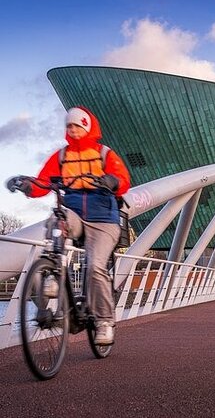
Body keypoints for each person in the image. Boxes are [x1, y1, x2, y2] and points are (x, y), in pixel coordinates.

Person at [6, 106, 130, 345]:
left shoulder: (104, 154)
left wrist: (111, 181)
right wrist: (27, 186)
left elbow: (123, 180)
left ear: (86, 127)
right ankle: (53, 270)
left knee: (95, 267)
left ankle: (104, 322)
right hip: (74, 213)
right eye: (68, 126)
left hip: (103, 219)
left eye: (76, 126)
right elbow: (44, 183)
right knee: (56, 218)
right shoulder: (62, 156)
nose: (72, 130)